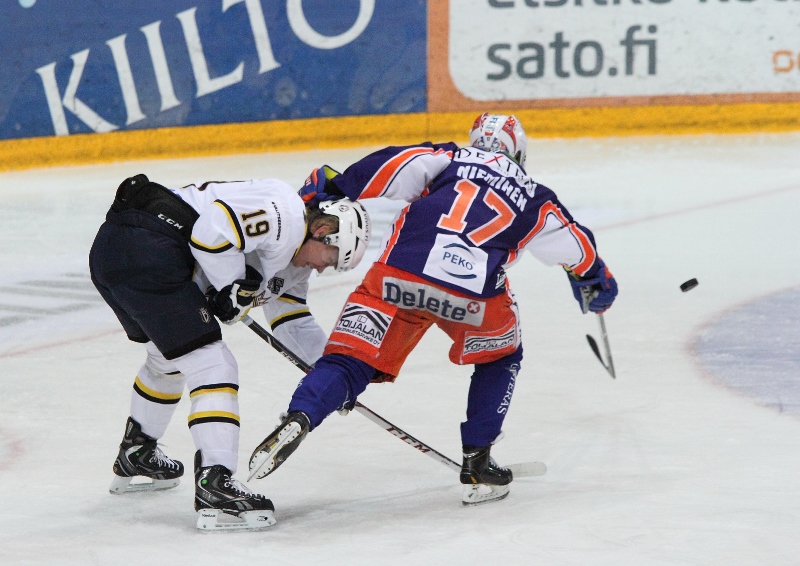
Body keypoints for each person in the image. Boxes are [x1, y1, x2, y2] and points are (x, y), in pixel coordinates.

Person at [247, 113, 618, 507]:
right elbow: (578, 247)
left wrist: (332, 187)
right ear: (520, 154)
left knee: (348, 360)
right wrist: (595, 280)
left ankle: (301, 414)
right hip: (471, 296)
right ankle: (478, 458)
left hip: (398, 276)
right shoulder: (537, 196)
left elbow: (389, 165)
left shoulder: (449, 158)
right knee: (501, 355)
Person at [89, 173, 370, 530]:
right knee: (213, 366)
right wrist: (232, 285)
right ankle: (215, 482)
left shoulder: (294, 266)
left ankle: (138, 451)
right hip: (151, 243)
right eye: (331, 257)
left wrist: (334, 371)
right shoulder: (285, 211)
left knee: (168, 359)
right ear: (323, 228)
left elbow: (292, 322)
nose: (323, 267)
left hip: (115, 250)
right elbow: (211, 232)